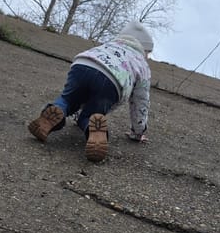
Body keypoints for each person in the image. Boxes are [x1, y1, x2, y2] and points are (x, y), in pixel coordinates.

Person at [28, 21, 152, 163]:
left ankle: (56, 111)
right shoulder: (142, 65)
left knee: (68, 100)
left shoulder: (109, 45)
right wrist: (138, 131)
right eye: (148, 53)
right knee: (91, 115)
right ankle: (94, 131)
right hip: (111, 80)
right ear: (144, 48)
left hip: (83, 64)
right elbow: (140, 102)